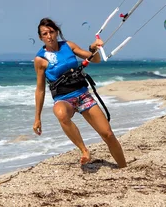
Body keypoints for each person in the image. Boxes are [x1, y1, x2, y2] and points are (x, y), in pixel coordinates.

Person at [33, 18, 127, 168]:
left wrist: (92, 48)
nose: (49, 36)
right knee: (60, 113)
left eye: (51, 32)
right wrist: (37, 118)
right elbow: (40, 89)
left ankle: (123, 168)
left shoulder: (68, 46)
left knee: (108, 135)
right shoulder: (40, 59)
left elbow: (95, 59)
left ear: (57, 32)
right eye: (45, 34)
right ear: (40, 37)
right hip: (64, 100)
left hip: (83, 96)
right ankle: (84, 151)